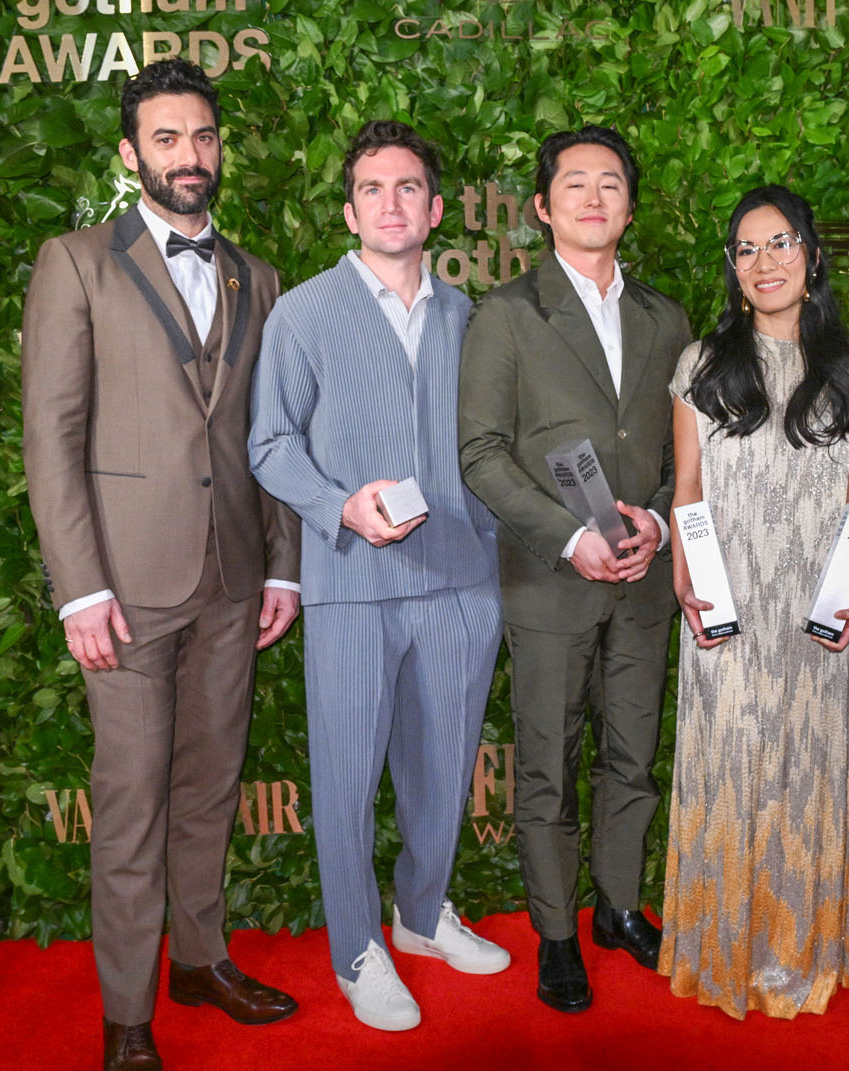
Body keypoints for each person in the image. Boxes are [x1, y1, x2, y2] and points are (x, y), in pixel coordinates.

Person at [20, 59, 302, 1071]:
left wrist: (284, 566)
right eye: (169, 138)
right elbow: (51, 437)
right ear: (130, 152)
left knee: (210, 785)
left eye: (204, 136)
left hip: (234, 579)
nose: (191, 155)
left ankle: (198, 960)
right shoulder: (77, 263)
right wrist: (81, 590)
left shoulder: (256, 277)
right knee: (133, 800)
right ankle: (128, 1014)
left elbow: (269, 434)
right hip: (127, 590)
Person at [248, 120, 509, 1033]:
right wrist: (338, 506)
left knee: (445, 771)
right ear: (350, 210)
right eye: (371, 188)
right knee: (348, 779)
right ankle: (358, 947)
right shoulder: (304, 313)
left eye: (407, 188)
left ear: (435, 211)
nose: (390, 203)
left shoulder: (470, 316)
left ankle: (422, 914)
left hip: (460, 582)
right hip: (353, 581)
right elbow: (269, 443)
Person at [458, 125, 692, 1013]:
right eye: (575, 184)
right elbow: (481, 453)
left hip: (643, 579)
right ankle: (557, 933)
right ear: (543, 206)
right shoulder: (507, 313)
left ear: (630, 206)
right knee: (549, 766)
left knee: (633, 754)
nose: (594, 198)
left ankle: (619, 906)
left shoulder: (666, 319)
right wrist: (568, 536)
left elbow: (681, 453)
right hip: (551, 580)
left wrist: (658, 523)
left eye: (611, 184)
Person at [659, 185, 849, 1019]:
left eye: (781, 242)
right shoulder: (701, 364)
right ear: (733, 265)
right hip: (728, 597)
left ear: (813, 255)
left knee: (807, 765)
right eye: (747, 248)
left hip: (815, 598)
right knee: (727, 758)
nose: (765, 262)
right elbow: (687, 485)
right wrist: (685, 570)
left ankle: (798, 950)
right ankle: (721, 944)